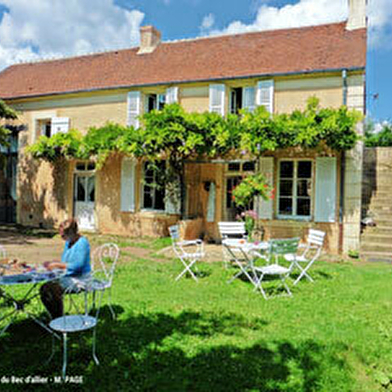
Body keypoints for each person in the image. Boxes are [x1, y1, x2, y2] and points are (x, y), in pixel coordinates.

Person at [40, 218, 91, 318]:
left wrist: (57, 265)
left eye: (63, 235)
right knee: (44, 288)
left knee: (53, 289)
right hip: (69, 276)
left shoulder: (82, 243)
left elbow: (78, 265)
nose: (61, 237)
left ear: (72, 233)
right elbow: (65, 262)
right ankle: (54, 316)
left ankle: (59, 319)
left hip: (81, 278)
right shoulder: (69, 243)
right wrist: (52, 263)